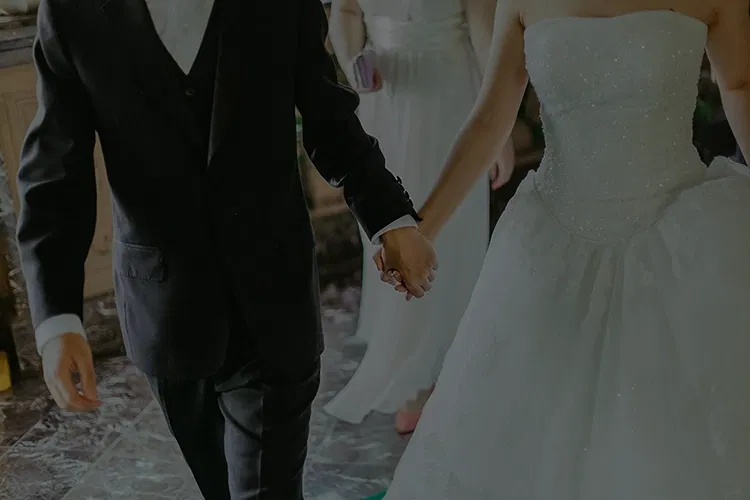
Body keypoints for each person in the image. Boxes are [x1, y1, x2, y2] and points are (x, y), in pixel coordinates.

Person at [15, 0, 438, 498]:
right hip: (164, 311)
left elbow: (330, 119)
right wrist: (57, 320)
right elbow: (56, 174)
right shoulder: (72, 12)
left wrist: (391, 219)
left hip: (273, 304)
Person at [378, 0, 750, 497]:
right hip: (551, 241)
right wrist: (422, 227)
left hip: (677, 240)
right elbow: (491, 117)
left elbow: (740, 85)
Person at [323, 0, 514, 435]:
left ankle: (450, 366)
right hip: (384, 101)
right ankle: (407, 371)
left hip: (448, 100)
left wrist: (498, 133)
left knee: (454, 229)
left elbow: (484, 35)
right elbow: (347, 11)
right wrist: (354, 60)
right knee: (389, 227)